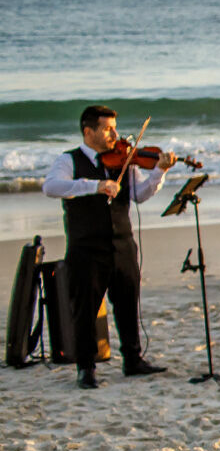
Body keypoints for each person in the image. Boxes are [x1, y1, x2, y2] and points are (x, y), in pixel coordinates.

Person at [41, 105, 179, 388]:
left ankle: (133, 360)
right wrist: (95, 186)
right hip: (86, 248)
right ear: (88, 131)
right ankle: (86, 368)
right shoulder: (69, 160)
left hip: (123, 244)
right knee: (86, 309)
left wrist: (159, 173)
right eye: (107, 129)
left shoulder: (124, 161)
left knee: (128, 303)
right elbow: (51, 187)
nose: (115, 134)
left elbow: (138, 195)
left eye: (115, 127)